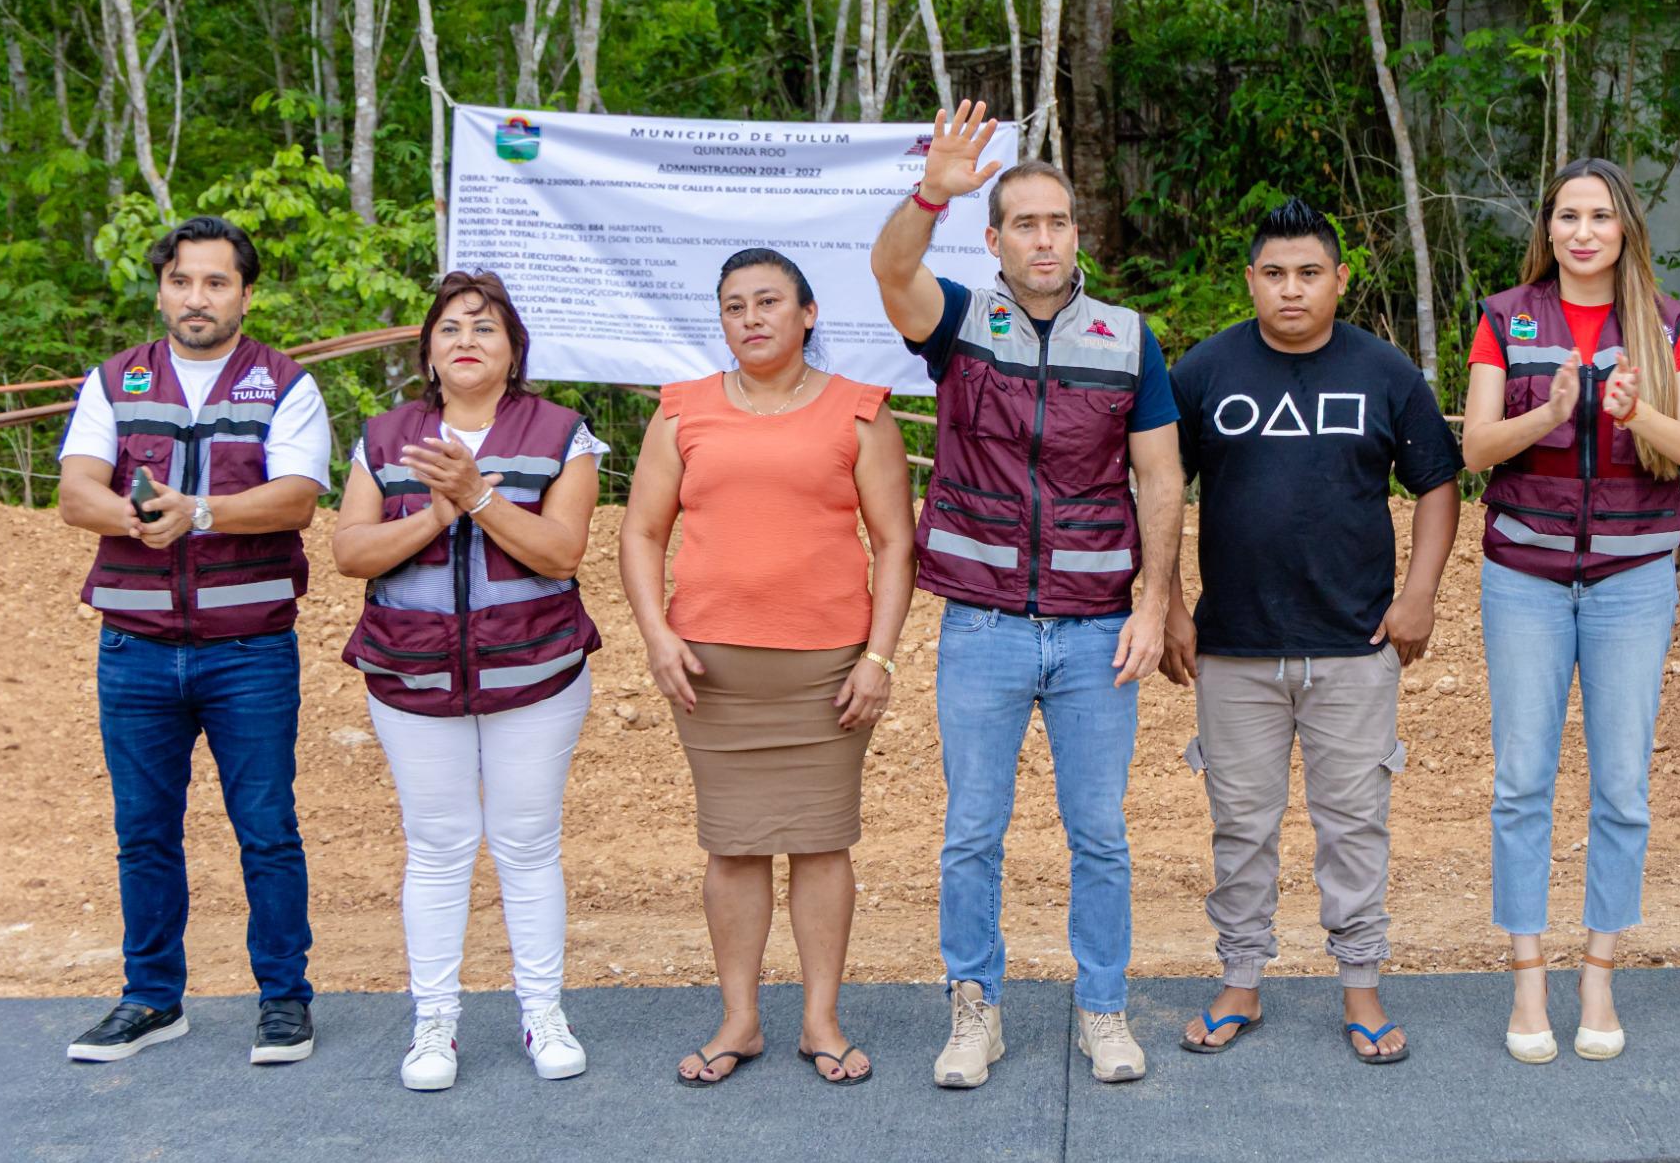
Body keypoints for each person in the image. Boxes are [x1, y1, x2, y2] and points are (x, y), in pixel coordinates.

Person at [866, 100, 1185, 1089]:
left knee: (1100, 835)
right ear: (995, 238)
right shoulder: (962, 322)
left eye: (1058, 222)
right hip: (984, 627)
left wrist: (1151, 604)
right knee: (972, 833)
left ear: (1077, 234)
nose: (1044, 239)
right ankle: (975, 1009)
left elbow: (1161, 477)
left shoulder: (1127, 338)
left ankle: (1103, 1008)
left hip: (1097, 632)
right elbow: (891, 272)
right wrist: (930, 194)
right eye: (1024, 224)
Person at [1162, 199, 1463, 1064]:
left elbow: (1437, 483)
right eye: (1274, 274)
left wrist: (1420, 594)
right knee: (1241, 825)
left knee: (1355, 823)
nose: (1290, 290)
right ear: (1250, 280)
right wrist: (1168, 602)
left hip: (1355, 646)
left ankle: (1361, 986)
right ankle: (1240, 981)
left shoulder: (1384, 371)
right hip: (1234, 647)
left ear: (1339, 279)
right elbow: (1157, 487)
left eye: (1308, 273)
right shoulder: (1204, 372)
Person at [621, 249, 915, 1088]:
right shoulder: (681, 411)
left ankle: (821, 1020)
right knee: (734, 846)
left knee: (821, 844)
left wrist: (879, 657)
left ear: (808, 313)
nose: (750, 318)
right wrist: (657, 636)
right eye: (734, 306)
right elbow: (641, 532)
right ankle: (739, 1019)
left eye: (768, 302)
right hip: (710, 674)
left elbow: (896, 543)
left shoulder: (861, 412)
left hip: (828, 675)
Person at [55, 214, 332, 1065]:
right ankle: (150, 999)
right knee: (143, 831)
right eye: (181, 281)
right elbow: (75, 492)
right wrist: (139, 520)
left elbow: (297, 497)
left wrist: (199, 512)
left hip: (249, 650)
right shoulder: (115, 381)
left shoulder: (286, 385)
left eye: (216, 282)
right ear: (161, 291)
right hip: (134, 648)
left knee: (266, 829)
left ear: (246, 294)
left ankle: (284, 999)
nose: (196, 298)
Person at [1463, 157, 1680, 1063]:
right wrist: (1550, 413)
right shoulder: (1505, 318)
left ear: (1624, 230)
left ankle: (1598, 975)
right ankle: (1529, 976)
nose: (1582, 232)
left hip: (1632, 579)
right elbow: (1477, 446)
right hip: (1525, 577)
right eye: (1567, 216)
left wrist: (1636, 414)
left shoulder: (1668, 324)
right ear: (1548, 228)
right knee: (1523, 781)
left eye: (1599, 216)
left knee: (1621, 787)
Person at [332, 271, 605, 1092]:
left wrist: (478, 495)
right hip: (411, 676)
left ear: (514, 349)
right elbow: (350, 552)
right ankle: (435, 1025)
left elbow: (562, 552)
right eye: (450, 327)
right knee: (438, 846)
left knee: (527, 844)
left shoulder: (562, 433)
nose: (466, 341)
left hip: (536, 674)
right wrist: (433, 514)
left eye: (485, 328)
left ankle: (543, 1014)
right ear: (428, 351)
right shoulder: (385, 437)